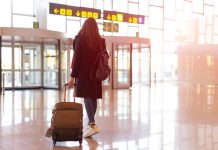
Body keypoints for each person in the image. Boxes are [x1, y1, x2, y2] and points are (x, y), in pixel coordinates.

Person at [68, 17, 106, 138]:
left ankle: (92, 125)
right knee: (93, 97)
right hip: (96, 73)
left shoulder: (80, 39)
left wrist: (72, 77)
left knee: (87, 97)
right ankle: (91, 125)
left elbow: (77, 58)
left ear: (84, 26)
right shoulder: (101, 41)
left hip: (83, 74)